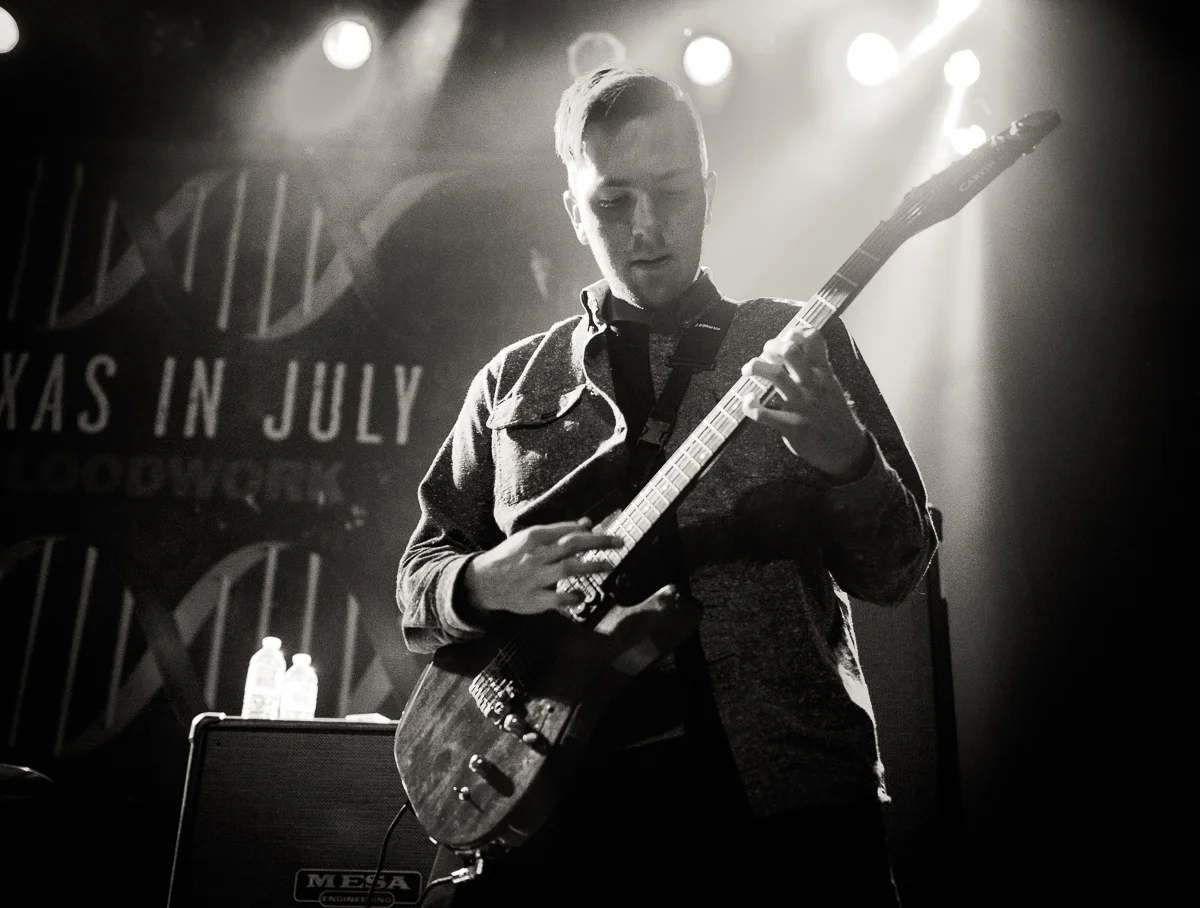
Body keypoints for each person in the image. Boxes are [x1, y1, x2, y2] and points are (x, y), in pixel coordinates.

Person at [396, 66, 938, 907]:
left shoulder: (796, 342)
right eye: (613, 202)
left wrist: (847, 457)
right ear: (573, 212)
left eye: (673, 192)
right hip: (558, 820)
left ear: (710, 192)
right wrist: (482, 580)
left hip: (783, 812)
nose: (646, 227)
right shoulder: (511, 380)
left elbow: (899, 570)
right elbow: (417, 581)